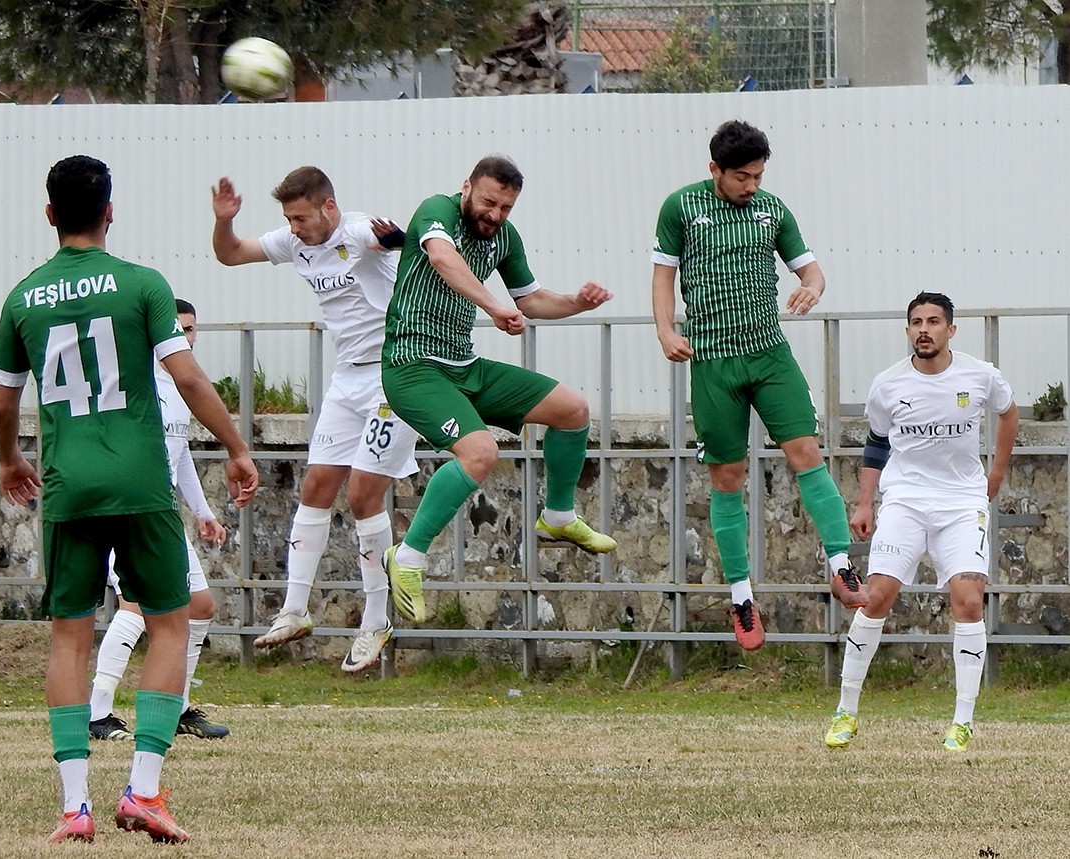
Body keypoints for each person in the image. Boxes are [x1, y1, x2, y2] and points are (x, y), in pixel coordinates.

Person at [0, 155, 258, 844]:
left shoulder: (22, 298)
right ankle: (142, 790)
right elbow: (188, 378)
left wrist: (10, 459)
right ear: (111, 212)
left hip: (69, 486)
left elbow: (3, 402)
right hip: (139, 483)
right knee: (170, 623)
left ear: (50, 215)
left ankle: (74, 806)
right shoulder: (143, 284)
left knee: (69, 635)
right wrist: (235, 446)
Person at [650, 119, 865, 652]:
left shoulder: (772, 210)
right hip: (713, 361)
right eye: (742, 177)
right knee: (728, 477)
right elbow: (663, 277)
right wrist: (666, 330)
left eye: (758, 176)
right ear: (715, 170)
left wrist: (812, 288)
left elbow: (811, 271)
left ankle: (842, 565)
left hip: (769, 354)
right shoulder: (680, 207)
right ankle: (742, 598)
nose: (751, 186)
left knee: (806, 452)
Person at [381, 155, 616, 625]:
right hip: (412, 366)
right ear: (467, 187)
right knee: (480, 452)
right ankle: (406, 557)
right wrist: (493, 307)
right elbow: (442, 258)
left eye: (506, 207)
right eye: (489, 203)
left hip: (464, 366)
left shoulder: (504, 237)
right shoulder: (437, 210)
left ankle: (558, 517)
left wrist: (577, 302)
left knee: (573, 410)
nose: (495, 215)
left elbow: (532, 299)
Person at [211, 167, 420, 672]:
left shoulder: (357, 230)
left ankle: (376, 622)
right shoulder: (295, 241)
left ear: (328, 207)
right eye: (289, 218)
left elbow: (392, 239)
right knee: (316, 486)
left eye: (301, 217)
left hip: (394, 376)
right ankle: (294, 610)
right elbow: (230, 254)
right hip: (347, 379)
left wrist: (396, 239)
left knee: (363, 494)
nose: (294, 227)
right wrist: (223, 221)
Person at [825, 292, 1017, 752]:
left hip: (961, 503)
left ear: (951, 329)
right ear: (908, 330)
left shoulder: (980, 375)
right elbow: (876, 442)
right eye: (916, 322)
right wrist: (865, 502)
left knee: (969, 601)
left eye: (933, 321)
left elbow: (1009, 413)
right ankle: (846, 711)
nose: (924, 330)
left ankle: (962, 721)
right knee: (875, 597)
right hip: (905, 500)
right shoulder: (888, 384)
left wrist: (996, 473)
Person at [88, 299, 232, 743]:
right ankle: (97, 713)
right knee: (134, 605)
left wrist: (203, 512)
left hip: (165, 515)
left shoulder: (182, 388)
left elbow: (180, 455)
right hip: (130, 511)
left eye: (191, 330)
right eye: (177, 330)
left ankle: (178, 708)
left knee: (200, 606)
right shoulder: (137, 384)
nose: (185, 338)